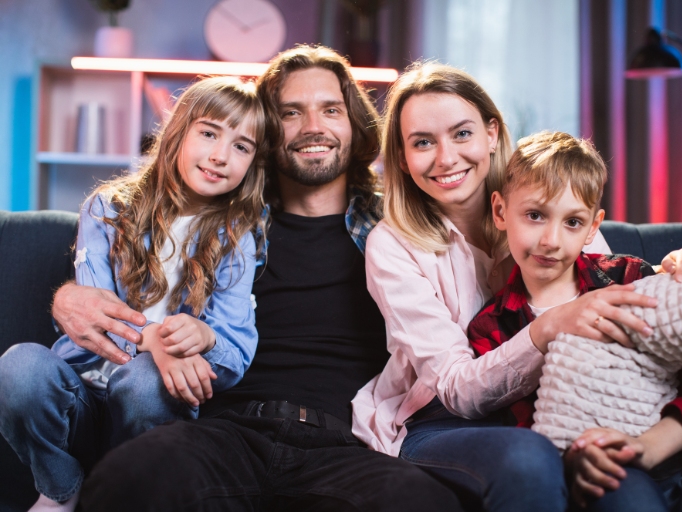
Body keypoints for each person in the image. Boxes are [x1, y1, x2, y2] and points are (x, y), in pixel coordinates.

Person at [51, 46, 465, 512]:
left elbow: (482, 243)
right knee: (130, 477)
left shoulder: (399, 225)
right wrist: (69, 296)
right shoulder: (223, 220)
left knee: (424, 502)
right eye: (291, 112)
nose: (313, 127)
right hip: (225, 433)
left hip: (346, 444)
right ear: (265, 133)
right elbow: (133, 238)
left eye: (331, 109)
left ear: (354, 123)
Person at [351, 62, 682, 511]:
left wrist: (681, 272)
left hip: (558, 405)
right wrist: (549, 327)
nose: (446, 157)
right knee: (532, 457)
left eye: (462, 133)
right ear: (401, 156)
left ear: (492, 133)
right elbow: (455, 390)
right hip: (439, 419)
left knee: (618, 482)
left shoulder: (545, 203)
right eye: (423, 143)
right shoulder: (392, 244)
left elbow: (608, 285)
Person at [466, 130, 682, 511]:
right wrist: (577, 458)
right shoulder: (494, 328)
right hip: (623, 457)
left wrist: (650, 445)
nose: (550, 239)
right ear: (500, 212)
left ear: (594, 227)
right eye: (535, 215)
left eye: (573, 222)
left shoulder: (629, 279)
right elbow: (533, 430)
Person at [0, 76, 264, 512]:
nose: (221, 155)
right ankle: (60, 489)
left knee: (145, 380)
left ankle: (125, 494)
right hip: (79, 390)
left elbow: (235, 346)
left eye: (242, 146)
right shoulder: (107, 208)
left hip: (148, 409)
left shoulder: (238, 236)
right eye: (209, 133)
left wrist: (205, 338)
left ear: (253, 162)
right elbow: (95, 314)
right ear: (178, 133)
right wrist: (153, 340)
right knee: (18, 367)